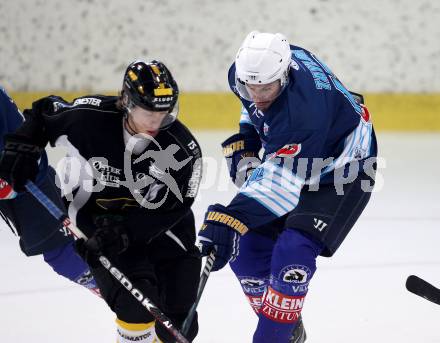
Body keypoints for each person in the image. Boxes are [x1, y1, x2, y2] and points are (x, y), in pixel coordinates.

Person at [0, 60, 203, 343]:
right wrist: (23, 145)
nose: (156, 124)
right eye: (148, 114)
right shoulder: (87, 118)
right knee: (136, 308)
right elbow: (44, 113)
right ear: (126, 102)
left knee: (179, 326)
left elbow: (175, 208)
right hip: (100, 223)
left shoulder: (182, 149)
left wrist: (126, 233)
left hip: (158, 228)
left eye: (164, 114)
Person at [198, 31, 378, 342]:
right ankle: (285, 327)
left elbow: (280, 186)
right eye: (249, 86)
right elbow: (251, 104)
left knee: (293, 251)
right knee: (246, 251)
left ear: (284, 76)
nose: (257, 94)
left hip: (344, 168)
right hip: (303, 151)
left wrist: (230, 218)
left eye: (266, 88)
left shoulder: (302, 115)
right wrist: (249, 136)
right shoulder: (250, 71)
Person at [0, 86, 99, 295]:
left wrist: (12, 166)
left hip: (22, 175)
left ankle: (136, 307)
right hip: (17, 173)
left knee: (63, 253)